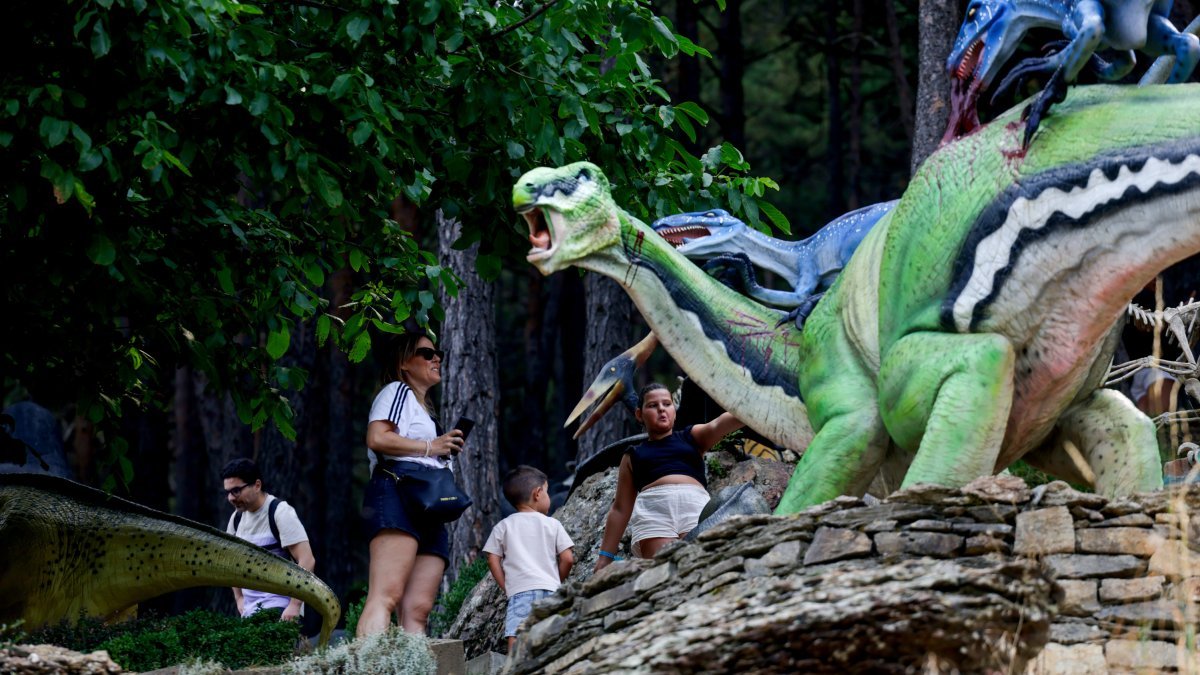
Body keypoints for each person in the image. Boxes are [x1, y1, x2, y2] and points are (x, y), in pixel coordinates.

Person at [357, 332, 466, 637]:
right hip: (397, 493)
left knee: (418, 609)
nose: (437, 358)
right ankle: (369, 670)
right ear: (404, 363)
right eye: (427, 353)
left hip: (428, 505)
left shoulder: (427, 412)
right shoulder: (396, 392)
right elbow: (378, 438)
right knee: (386, 595)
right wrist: (432, 447)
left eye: (438, 353)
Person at [594, 383, 744, 572]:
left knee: (705, 567)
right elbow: (620, 510)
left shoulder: (692, 437)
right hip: (654, 512)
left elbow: (718, 424)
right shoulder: (632, 455)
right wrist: (604, 558)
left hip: (694, 506)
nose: (661, 409)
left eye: (667, 404)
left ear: (674, 410)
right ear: (639, 414)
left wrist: (755, 407)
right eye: (653, 405)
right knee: (663, 575)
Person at [483, 466, 575, 651]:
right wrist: (557, 581)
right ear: (538, 493)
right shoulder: (553, 524)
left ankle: (515, 669)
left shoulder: (503, 526)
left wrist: (507, 587)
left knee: (517, 635)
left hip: (520, 593)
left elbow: (492, 559)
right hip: (551, 590)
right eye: (547, 492)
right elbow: (568, 559)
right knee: (552, 636)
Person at [221, 458, 316, 621]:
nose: (231, 497)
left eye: (236, 490)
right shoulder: (236, 519)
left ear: (257, 485)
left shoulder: (280, 512)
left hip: (280, 608)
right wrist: (239, 598)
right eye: (228, 492)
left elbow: (307, 560)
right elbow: (231, 560)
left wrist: (294, 605)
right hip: (250, 611)